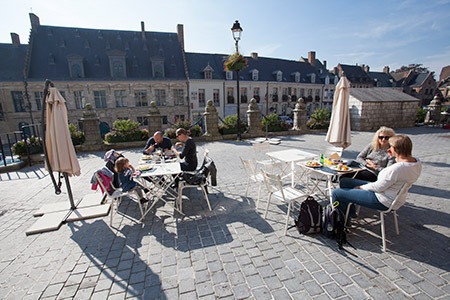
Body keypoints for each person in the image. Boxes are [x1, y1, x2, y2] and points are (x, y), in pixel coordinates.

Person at [332, 135, 422, 221]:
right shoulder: (416, 163)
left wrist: (360, 187)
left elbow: (378, 187)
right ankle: (350, 213)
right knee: (345, 182)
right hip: (394, 196)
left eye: (390, 147)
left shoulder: (396, 169)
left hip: (382, 200)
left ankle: (341, 224)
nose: (388, 149)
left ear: (395, 149)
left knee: (336, 193)